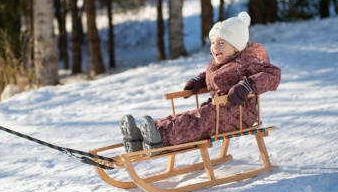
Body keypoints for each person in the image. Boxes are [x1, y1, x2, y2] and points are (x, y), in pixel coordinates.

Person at [120, 11, 281, 152]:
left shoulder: (247, 61)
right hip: (219, 111)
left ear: (236, 47)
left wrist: (247, 85)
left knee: (197, 121)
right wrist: (201, 79)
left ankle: (159, 139)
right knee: (187, 116)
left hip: (239, 115)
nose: (214, 48)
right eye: (212, 43)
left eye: (221, 43)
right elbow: (217, 75)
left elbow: (273, 74)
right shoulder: (223, 61)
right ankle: (142, 136)